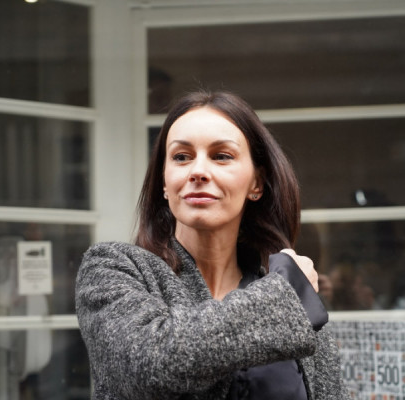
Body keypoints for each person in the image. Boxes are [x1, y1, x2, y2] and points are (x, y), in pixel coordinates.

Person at [76, 91, 350, 400]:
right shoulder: (113, 269)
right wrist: (285, 296)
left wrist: (287, 293)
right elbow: (148, 367)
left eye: (221, 156)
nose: (198, 171)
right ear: (164, 182)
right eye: (181, 157)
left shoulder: (283, 289)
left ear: (256, 183)